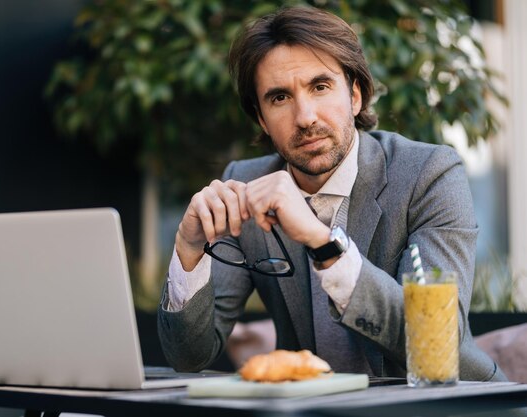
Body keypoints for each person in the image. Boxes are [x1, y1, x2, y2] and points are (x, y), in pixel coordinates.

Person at [157, 5, 506, 381]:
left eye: (320, 87)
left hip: (450, 404)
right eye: (279, 98)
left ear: (355, 96)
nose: (305, 116)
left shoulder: (430, 174)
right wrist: (189, 252)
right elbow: (190, 357)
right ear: (261, 119)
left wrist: (322, 242)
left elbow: (436, 336)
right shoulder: (245, 187)